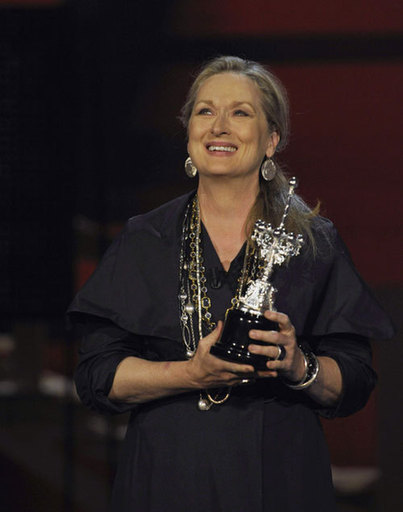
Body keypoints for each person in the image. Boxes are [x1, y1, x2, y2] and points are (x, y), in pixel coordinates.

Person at [68, 56, 394, 512]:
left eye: (241, 112)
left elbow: (355, 379)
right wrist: (189, 374)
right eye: (205, 111)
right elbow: (96, 377)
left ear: (271, 140)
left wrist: (299, 366)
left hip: (282, 477)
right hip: (166, 476)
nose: (219, 126)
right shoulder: (145, 238)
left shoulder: (313, 242)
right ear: (188, 134)